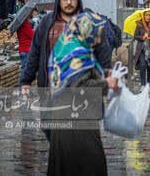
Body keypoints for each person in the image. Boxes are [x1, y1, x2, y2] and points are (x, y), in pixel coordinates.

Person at [21, 0, 112, 140]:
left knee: (83, 137)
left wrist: (106, 81)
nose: (68, 2)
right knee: (51, 133)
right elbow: (35, 53)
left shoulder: (89, 22)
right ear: (58, 0)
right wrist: (26, 80)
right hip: (52, 88)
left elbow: (103, 52)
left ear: (78, 0)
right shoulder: (47, 23)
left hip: (83, 87)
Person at [47, 12, 119, 176]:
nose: (99, 38)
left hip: (66, 118)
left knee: (67, 166)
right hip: (77, 122)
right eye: (96, 32)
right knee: (91, 165)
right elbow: (80, 87)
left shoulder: (70, 47)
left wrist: (104, 73)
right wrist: (106, 84)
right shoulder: (76, 53)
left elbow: (81, 76)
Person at [133, 10, 150, 89]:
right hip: (142, 48)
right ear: (144, 16)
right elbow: (135, 35)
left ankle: (148, 84)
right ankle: (142, 84)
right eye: (147, 15)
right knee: (142, 65)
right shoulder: (140, 24)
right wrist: (143, 37)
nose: (148, 16)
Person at [17, 10, 35, 88]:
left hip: (23, 49)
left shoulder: (21, 24)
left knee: (26, 72)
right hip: (26, 50)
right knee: (25, 72)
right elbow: (32, 35)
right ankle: (22, 91)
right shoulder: (25, 23)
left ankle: (25, 91)